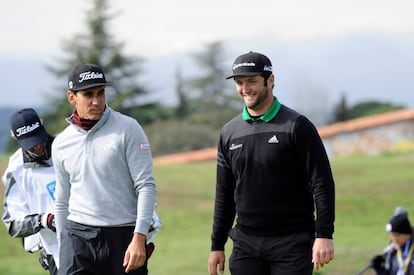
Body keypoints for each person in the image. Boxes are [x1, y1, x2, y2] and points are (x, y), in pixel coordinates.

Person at [207, 51, 336, 275]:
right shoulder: (229, 133)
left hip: (292, 243)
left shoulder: (297, 126)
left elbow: (322, 183)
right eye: (239, 83)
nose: (245, 89)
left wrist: (324, 234)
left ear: (271, 80)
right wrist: (217, 245)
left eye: (251, 82)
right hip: (246, 243)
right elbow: (224, 193)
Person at [52, 63, 158, 275]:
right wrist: (63, 247)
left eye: (101, 93)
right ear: (72, 98)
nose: (96, 101)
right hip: (78, 236)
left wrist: (139, 237)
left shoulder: (128, 128)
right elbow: (62, 199)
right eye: (88, 94)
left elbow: (146, 186)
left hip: (123, 236)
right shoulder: (61, 143)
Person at [2, 108, 59, 274]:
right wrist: (44, 220)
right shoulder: (16, 170)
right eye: (31, 144)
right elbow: (12, 223)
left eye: (39, 139)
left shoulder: (66, 147)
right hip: (55, 251)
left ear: (41, 124)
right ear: (15, 137)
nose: (38, 146)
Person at [367, 207, 414, 275]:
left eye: (396, 235)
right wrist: (379, 269)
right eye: (391, 235)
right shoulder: (392, 252)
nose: (393, 239)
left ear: (406, 234)